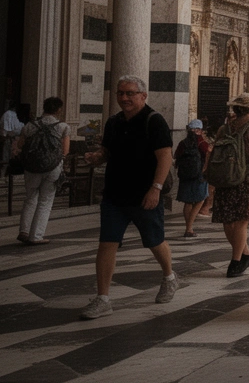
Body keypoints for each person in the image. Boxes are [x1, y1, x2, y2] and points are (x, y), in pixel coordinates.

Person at [78, 76, 178, 319]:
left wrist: (155, 189)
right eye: (121, 93)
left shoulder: (154, 121)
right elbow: (109, 152)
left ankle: (169, 276)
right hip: (115, 194)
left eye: (130, 93)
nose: (124, 98)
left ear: (143, 96)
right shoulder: (113, 122)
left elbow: (165, 157)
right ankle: (103, 299)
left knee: (155, 241)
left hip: (144, 194)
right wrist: (97, 157)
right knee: (107, 243)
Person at [209, 93, 249, 277]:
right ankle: (237, 260)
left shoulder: (223, 129)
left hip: (225, 179)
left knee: (228, 221)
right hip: (247, 180)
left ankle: (244, 255)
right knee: (241, 222)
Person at [14, 96, 70, 245]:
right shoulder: (63, 126)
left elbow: (20, 145)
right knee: (45, 201)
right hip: (53, 167)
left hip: (31, 167)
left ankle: (24, 231)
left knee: (30, 197)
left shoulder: (29, 126)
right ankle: (36, 236)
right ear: (58, 110)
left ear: (44, 108)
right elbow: (65, 150)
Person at [173, 119, 210, 237]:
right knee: (200, 199)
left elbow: (176, 157)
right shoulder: (201, 143)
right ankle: (189, 227)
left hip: (185, 175)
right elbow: (209, 154)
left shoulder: (183, 143)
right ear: (199, 130)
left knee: (188, 202)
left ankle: (188, 227)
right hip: (199, 174)